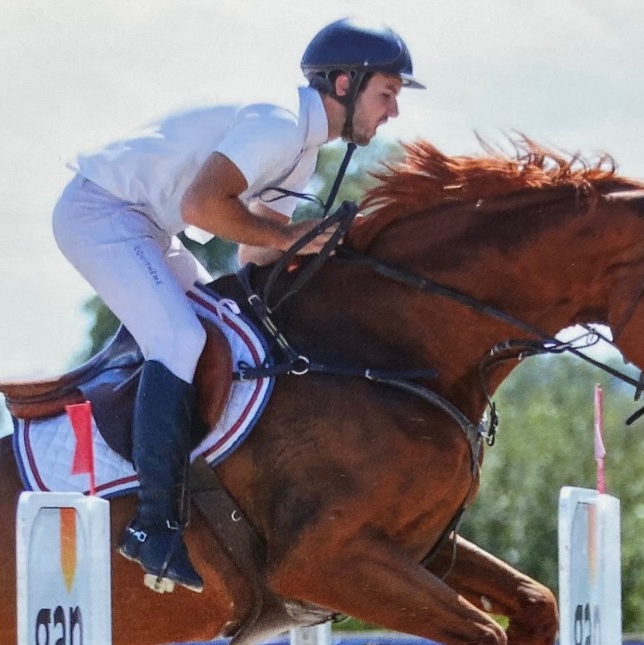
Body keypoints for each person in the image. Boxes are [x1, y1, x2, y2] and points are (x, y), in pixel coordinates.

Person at [52, 18, 422, 592]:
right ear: (345, 84)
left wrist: (331, 263)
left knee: (221, 330)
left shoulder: (299, 151)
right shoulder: (278, 123)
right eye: (388, 93)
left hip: (144, 225)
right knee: (180, 340)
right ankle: (153, 526)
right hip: (101, 213)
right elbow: (204, 206)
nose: (394, 111)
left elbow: (252, 253)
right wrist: (294, 238)